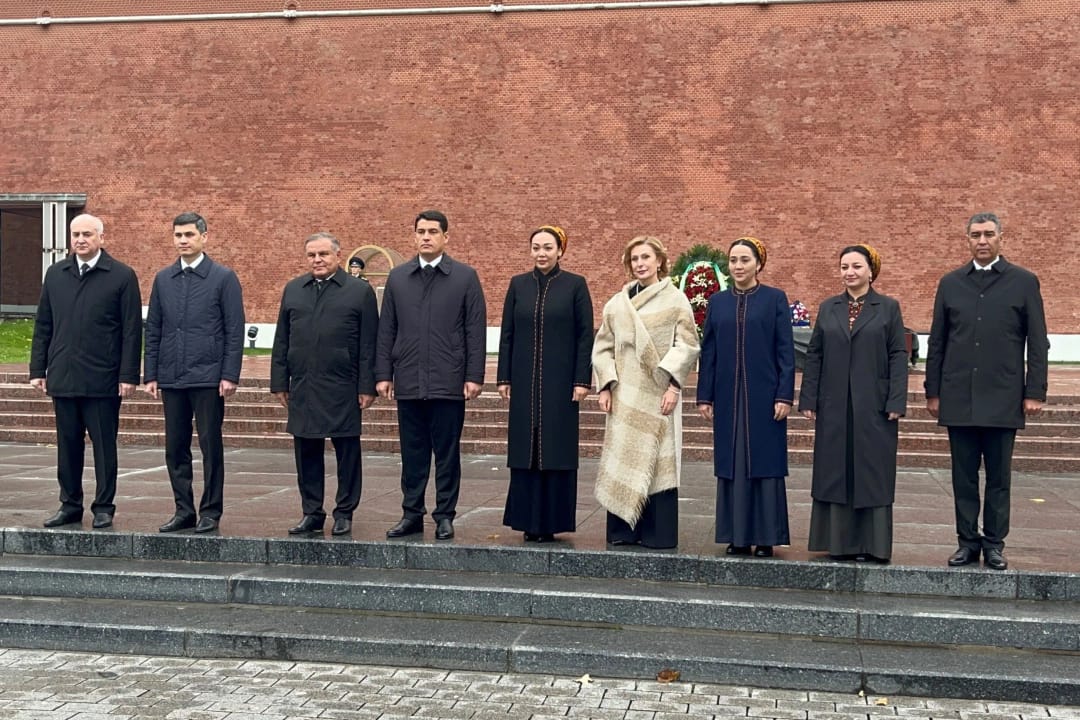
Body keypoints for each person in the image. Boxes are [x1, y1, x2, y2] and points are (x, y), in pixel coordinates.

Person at [925, 212, 1048, 571]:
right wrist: (933, 391)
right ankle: (967, 542)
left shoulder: (1023, 282)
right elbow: (938, 341)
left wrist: (1035, 390)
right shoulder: (950, 283)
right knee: (962, 477)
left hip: (1003, 395)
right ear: (967, 239)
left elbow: (1037, 340)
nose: (982, 240)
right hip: (958, 395)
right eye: (975, 234)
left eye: (988, 234)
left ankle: (994, 543)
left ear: (1000, 238)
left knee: (998, 478)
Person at [375, 210, 486, 540]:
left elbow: (474, 330)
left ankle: (445, 515)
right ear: (414, 236)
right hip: (408, 380)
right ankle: (411, 513)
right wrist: (383, 373)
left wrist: (474, 375)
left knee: (447, 454)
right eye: (421, 231)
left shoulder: (465, 277)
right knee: (412, 453)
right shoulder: (398, 278)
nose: (426, 236)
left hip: (448, 381)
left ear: (445, 237)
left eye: (433, 231)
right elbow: (387, 329)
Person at [29, 214, 142, 529]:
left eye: (87, 234)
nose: (80, 239)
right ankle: (70, 504)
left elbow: (132, 331)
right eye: (75, 234)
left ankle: (104, 506)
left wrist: (128, 375)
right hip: (64, 376)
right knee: (67, 446)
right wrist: (38, 368)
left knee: (104, 447)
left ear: (101, 238)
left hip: (103, 379)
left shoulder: (121, 276)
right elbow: (44, 325)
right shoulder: (55, 274)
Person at [798, 244, 908, 563]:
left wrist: (896, 399)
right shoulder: (829, 307)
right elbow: (814, 354)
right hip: (834, 405)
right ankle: (839, 543)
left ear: (870, 270)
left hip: (873, 405)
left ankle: (871, 545)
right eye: (844, 266)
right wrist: (809, 397)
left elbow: (898, 356)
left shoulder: (887, 308)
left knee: (871, 472)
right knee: (836, 471)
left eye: (856, 266)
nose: (850, 272)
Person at [592, 236, 700, 548]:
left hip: (659, 393)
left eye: (645, 258)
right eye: (635, 259)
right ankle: (624, 530)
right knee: (624, 457)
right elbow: (603, 347)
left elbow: (688, 344)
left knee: (660, 461)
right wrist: (606, 385)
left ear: (659, 261)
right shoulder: (616, 304)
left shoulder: (676, 300)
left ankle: (657, 533)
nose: (640, 264)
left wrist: (674, 386)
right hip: (625, 394)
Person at [271, 232, 379, 536]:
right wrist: (280, 381)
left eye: (323, 254)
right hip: (304, 384)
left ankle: (345, 511)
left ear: (337, 255)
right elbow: (282, 339)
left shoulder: (359, 291)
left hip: (343, 385)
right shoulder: (294, 289)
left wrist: (366, 385)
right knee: (306, 451)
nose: (317, 260)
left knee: (347, 451)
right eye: (311, 255)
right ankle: (311, 511)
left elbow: (369, 343)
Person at [144, 212, 245, 534]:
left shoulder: (223, 277)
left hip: (208, 377)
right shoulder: (163, 279)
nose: (183, 241)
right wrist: (151, 373)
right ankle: (183, 510)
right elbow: (154, 327)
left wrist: (229, 374)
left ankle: (211, 511)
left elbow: (234, 328)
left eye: (189, 234)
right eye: (178, 235)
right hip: (172, 377)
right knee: (175, 447)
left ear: (204, 237)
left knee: (210, 446)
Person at [696, 237, 794, 558]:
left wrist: (784, 395)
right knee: (732, 464)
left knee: (764, 463)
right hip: (726, 396)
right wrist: (704, 396)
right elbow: (708, 351)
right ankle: (736, 535)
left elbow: (785, 351)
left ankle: (765, 536)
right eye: (733, 260)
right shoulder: (718, 302)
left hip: (764, 396)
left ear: (758, 264)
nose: (738, 266)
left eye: (745, 260)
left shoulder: (774, 299)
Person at [497, 225, 593, 543]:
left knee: (555, 450)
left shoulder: (575, 286)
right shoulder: (518, 285)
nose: (541, 253)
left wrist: (582, 379)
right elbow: (508, 333)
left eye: (548, 247)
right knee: (526, 449)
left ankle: (552, 521)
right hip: (524, 383)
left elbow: (584, 336)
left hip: (561, 384)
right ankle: (527, 521)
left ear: (560, 251)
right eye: (536, 247)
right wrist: (504, 377)